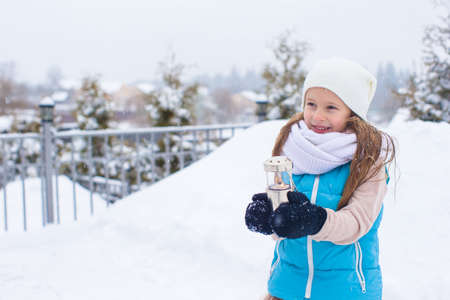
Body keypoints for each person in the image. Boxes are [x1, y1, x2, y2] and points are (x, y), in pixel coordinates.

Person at [245, 58, 396, 300]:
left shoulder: (368, 162)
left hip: (346, 291)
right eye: (311, 104)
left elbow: (357, 223)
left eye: (331, 108)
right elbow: (282, 224)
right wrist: (269, 217)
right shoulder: (291, 149)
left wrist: (315, 220)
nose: (317, 115)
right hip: (287, 288)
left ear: (352, 113)